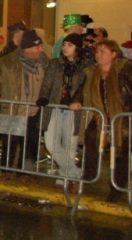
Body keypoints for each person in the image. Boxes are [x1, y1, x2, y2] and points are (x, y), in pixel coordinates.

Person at [71, 40, 132, 202]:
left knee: (121, 156)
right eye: (97, 52)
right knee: (91, 140)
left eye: (103, 52)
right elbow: (82, 90)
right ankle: (87, 178)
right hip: (101, 118)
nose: (99, 55)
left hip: (123, 120)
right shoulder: (92, 72)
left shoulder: (125, 69)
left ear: (114, 53)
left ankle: (117, 190)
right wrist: (76, 101)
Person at [0, 29, 49, 176]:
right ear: (27, 48)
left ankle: (25, 173)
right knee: (9, 143)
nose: (41, 50)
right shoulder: (8, 61)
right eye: (37, 47)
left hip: (35, 111)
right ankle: (7, 171)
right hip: (13, 109)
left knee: (31, 145)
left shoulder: (45, 62)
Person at [36, 33, 90, 190]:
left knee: (70, 145)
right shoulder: (55, 63)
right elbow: (47, 83)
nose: (65, 48)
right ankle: (74, 172)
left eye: (70, 45)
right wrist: (44, 97)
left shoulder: (84, 67)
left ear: (77, 48)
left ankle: (63, 178)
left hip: (73, 111)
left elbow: (83, 88)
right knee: (51, 143)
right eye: (65, 44)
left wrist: (77, 100)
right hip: (55, 107)